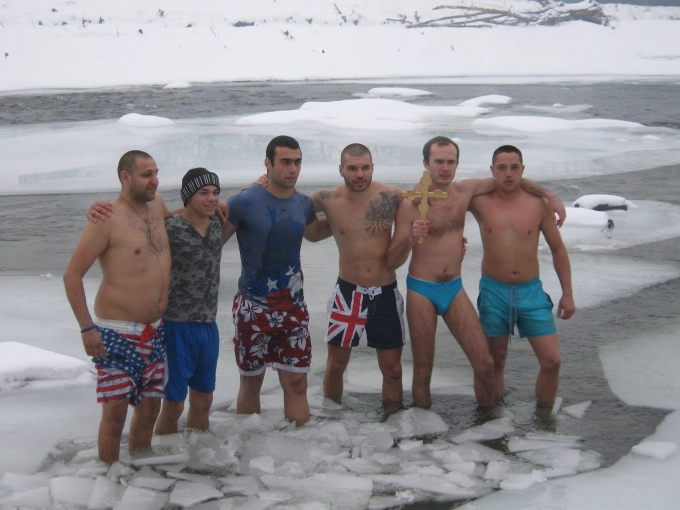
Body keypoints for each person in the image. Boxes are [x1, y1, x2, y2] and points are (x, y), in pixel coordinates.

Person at [386, 136, 565, 409]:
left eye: (450, 162)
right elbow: (391, 261)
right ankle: (422, 428)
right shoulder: (411, 203)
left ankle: (489, 421)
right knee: (423, 370)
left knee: (485, 364)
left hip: (454, 288)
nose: (445, 168)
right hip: (422, 289)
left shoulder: (464, 191)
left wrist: (549, 195)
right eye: (438, 162)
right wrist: (411, 237)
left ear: (457, 164)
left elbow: (509, 179)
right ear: (426, 163)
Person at [63, 150, 171, 464]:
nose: (154, 180)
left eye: (156, 172)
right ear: (126, 177)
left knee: (150, 410)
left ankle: (140, 470)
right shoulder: (106, 218)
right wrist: (87, 328)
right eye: (146, 174)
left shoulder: (158, 204)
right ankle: (109, 478)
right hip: (117, 333)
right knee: (114, 416)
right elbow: (72, 275)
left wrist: (216, 204)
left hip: (155, 332)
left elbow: (184, 217)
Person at [223, 135, 330, 426]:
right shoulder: (244, 202)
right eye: (285, 162)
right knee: (251, 382)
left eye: (297, 162)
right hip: (253, 307)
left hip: (293, 308)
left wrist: (351, 222)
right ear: (268, 164)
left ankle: (300, 445)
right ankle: (249, 444)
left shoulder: (303, 203)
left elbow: (315, 234)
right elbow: (213, 241)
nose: (292, 169)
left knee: (297, 383)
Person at [469, 145, 575, 406]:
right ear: (492, 170)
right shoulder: (479, 201)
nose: (508, 173)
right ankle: (492, 415)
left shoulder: (537, 205)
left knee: (552, 361)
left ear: (522, 170)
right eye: (502, 168)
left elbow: (558, 249)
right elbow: (448, 204)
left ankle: (544, 419)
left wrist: (568, 293)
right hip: (494, 291)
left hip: (531, 292)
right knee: (495, 361)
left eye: (514, 168)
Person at [308, 143, 405, 410]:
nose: (359, 174)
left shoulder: (392, 196)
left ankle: (393, 421)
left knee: (393, 370)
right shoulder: (327, 199)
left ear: (373, 168)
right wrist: (260, 184)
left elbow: (428, 211)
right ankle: (331, 417)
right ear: (341, 170)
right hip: (348, 293)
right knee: (336, 365)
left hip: (385, 293)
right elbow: (286, 200)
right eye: (352, 168)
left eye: (364, 168)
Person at [154, 168, 233, 435]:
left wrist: (260, 181)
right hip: (176, 326)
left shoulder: (217, 224)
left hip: (208, 325)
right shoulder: (170, 228)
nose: (211, 198)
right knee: (174, 404)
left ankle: (197, 453)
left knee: (204, 399)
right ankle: (165, 453)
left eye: (215, 193)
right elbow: (138, 221)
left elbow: (243, 198)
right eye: (203, 193)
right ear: (188, 196)